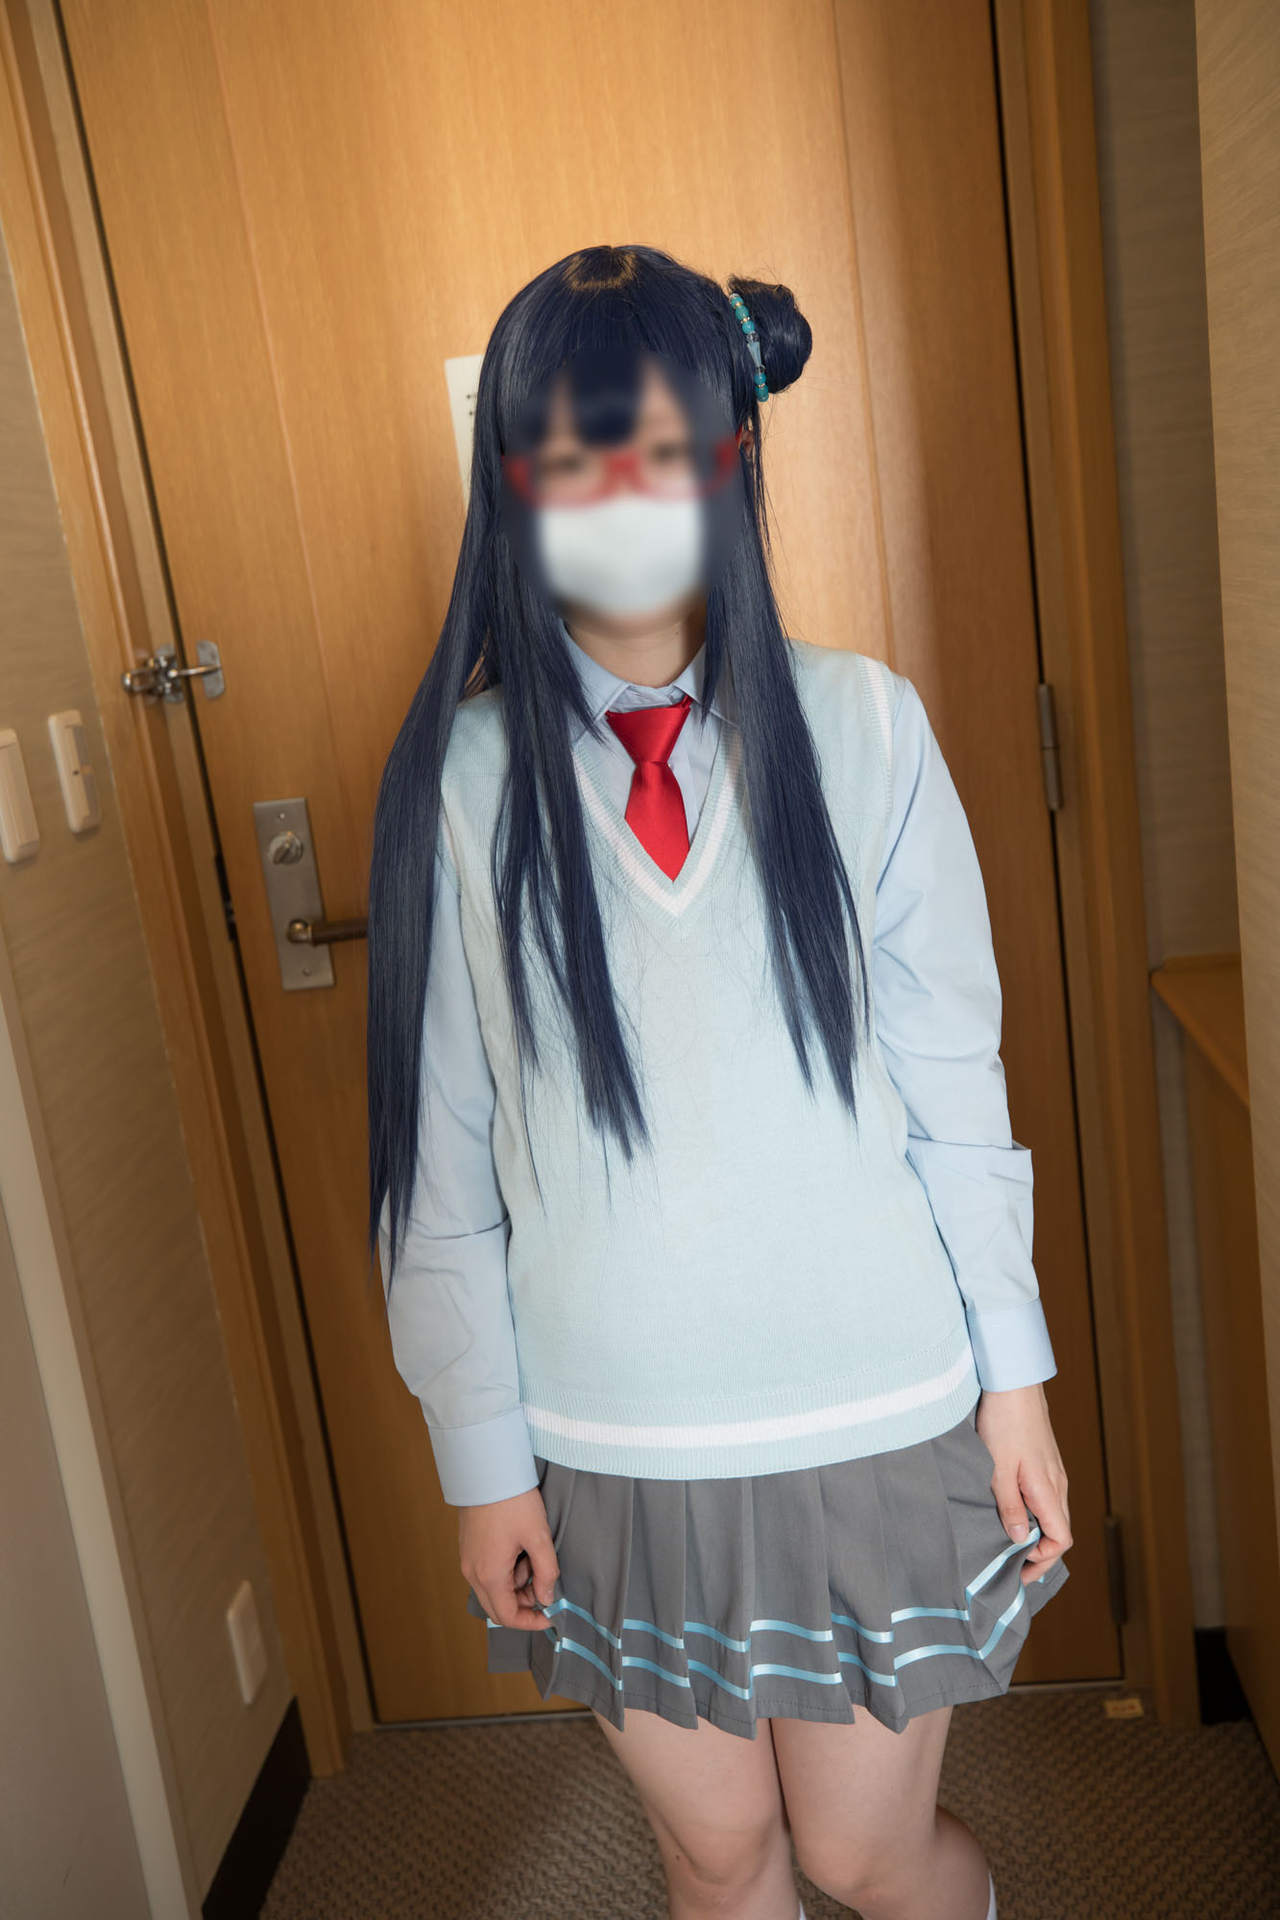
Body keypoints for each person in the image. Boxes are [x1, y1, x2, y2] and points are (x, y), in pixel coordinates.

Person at [366, 243, 1072, 1920]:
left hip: (874, 1404)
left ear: (731, 458)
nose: (616, 499)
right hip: (608, 1441)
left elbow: (954, 1089)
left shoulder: (868, 728)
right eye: (567, 457)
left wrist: (1016, 1379)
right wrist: (484, 1462)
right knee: (719, 1852)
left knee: (863, 1855)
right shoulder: (462, 783)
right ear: (513, 486)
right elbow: (441, 1168)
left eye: (660, 451)